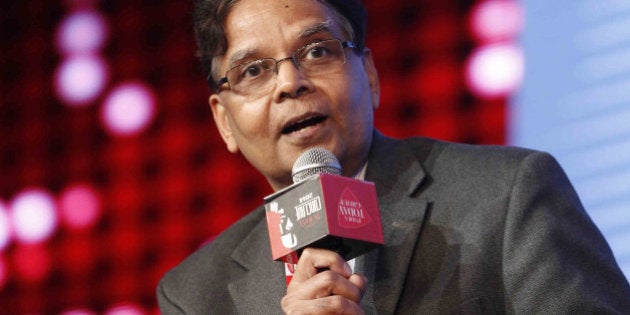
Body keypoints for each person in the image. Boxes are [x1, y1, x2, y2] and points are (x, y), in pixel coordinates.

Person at [157, 0, 630, 313]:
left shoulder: (509, 195)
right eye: (253, 70)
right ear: (223, 121)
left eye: (318, 50)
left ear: (371, 74)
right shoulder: (195, 295)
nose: (290, 83)